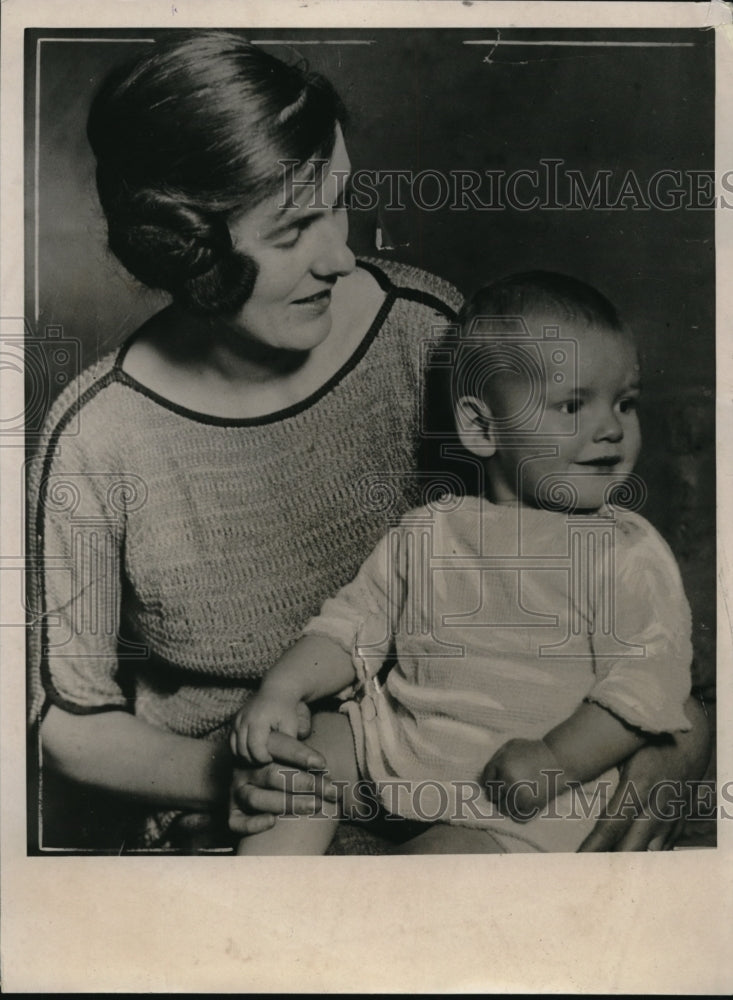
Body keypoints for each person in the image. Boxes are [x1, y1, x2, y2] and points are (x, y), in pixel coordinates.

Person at [28, 32, 709, 854]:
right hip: (257, 803)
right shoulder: (96, 439)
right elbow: (68, 719)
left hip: (487, 786)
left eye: (340, 201)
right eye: (291, 230)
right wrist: (233, 774)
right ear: (188, 247)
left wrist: (679, 736)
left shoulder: (423, 333)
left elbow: (583, 546)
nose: (340, 255)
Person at [231, 273, 695, 855]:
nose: (610, 428)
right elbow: (350, 626)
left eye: (625, 403)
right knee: (306, 753)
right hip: (400, 750)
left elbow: (649, 686)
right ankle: (265, 893)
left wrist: (555, 760)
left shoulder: (624, 552)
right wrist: (284, 688)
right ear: (481, 427)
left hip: (517, 799)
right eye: (573, 405)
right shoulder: (432, 529)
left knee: (435, 872)